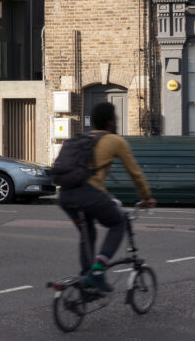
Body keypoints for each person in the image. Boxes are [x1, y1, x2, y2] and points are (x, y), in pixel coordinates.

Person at [57, 102, 156, 292]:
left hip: (66, 195)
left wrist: (103, 194)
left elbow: (89, 174)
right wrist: (147, 197)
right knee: (118, 223)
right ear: (111, 122)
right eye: (116, 118)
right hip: (88, 194)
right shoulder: (115, 141)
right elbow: (135, 174)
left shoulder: (84, 138)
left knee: (88, 234)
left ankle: (87, 283)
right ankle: (97, 272)